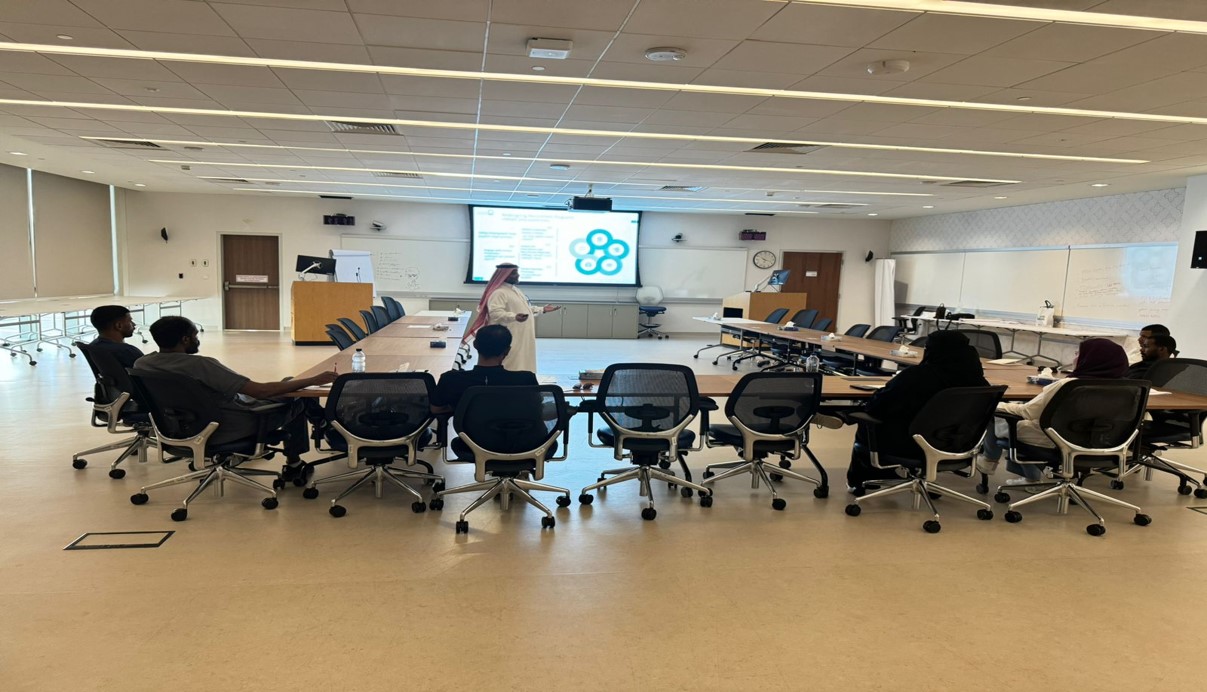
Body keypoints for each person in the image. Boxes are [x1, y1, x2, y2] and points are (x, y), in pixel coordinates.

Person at [134, 316, 336, 481]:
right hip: (233, 424)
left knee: (290, 382)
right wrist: (314, 380)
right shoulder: (201, 365)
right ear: (185, 339)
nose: (197, 339)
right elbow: (260, 392)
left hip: (180, 427)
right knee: (299, 395)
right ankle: (297, 460)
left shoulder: (143, 364)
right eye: (195, 335)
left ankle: (322, 424)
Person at [846, 330, 988, 491]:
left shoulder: (916, 376)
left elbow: (878, 406)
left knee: (869, 423)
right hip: (959, 444)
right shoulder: (980, 383)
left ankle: (864, 479)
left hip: (910, 445)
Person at [980, 338, 1129, 485]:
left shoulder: (1070, 385)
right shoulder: (1128, 388)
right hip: (1104, 441)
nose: (1074, 358)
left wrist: (995, 404)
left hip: (1054, 439)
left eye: (1078, 354)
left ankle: (989, 461)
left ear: (1089, 359)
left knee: (996, 413)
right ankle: (1028, 478)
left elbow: (1028, 412)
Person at [462, 263, 559, 374]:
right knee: (510, 362)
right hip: (510, 335)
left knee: (522, 361)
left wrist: (542, 309)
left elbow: (524, 309)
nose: (517, 275)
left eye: (516, 272)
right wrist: (514, 317)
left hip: (522, 335)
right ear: (504, 275)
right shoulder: (499, 292)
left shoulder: (515, 290)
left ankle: (523, 380)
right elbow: (495, 313)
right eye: (513, 273)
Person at [432, 325, 537, 415]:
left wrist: (460, 408)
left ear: (475, 345)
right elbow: (537, 408)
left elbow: (436, 409)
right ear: (508, 350)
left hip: (470, 433)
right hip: (515, 433)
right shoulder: (525, 379)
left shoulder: (451, 379)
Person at [88, 305, 143, 369]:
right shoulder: (127, 351)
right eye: (130, 321)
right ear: (119, 326)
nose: (134, 324)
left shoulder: (92, 347)